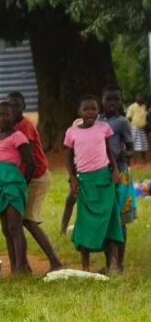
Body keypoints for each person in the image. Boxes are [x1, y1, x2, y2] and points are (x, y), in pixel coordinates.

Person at [63, 95, 123, 273]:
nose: (90, 113)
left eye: (94, 109)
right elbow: (68, 157)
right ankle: (85, 267)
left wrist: (114, 170)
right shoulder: (72, 132)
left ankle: (112, 263)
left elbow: (108, 150)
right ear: (79, 112)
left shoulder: (104, 128)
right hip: (85, 181)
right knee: (85, 222)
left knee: (111, 220)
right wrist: (73, 177)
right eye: (86, 109)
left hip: (104, 179)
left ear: (98, 110)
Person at [6, 92, 63, 272]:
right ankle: (23, 265)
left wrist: (23, 183)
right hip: (27, 178)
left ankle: (55, 262)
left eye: (17, 105)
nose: (14, 108)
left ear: (23, 106)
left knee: (28, 220)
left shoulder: (24, 126)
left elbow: (29, 159)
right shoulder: (12, 126)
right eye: (10, 105)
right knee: (20, 221)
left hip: (36, 177)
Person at [0, 102, 35, 274]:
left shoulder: (18, 137)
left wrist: (22, 183)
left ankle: (21, 268)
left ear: (13, 117)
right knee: (6, 228)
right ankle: (14, 264)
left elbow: (30, 162)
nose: (1, 118)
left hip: (13, 185)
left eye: (6, 115)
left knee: (15, 226)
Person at [98, 85, 135, 272]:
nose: (112, 103)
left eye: (116, 100)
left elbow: (131, 149)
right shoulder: (96, 121)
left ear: (121, 102)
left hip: (120, 175)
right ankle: (108, 262)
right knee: (107, 220)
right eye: (108, 99)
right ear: (101, 100)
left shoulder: (122, 122)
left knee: (119, 220)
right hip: (102, 176)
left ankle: (118, 263)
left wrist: (124, 153)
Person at [126, 93, 148, 165]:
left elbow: (145, 116)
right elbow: (128, 117)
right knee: (133, 144)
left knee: (143, 145)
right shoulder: (132, 107)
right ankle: (132, 162)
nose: (140, 99)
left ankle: (145, 162)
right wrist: (129, 128)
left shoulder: (144, 107)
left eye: (142, 98)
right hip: (134, 128)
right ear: (136, 99)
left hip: (142, 129)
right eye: (139, 97)